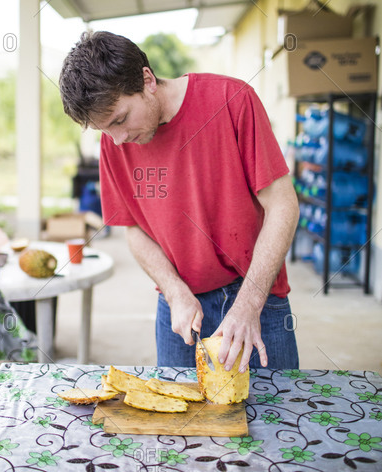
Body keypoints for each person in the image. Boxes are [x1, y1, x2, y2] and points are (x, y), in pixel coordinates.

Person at [59, 30, 300, 373]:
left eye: (121, 120)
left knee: (279, 419)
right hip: (180, 305)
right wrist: (174, 292)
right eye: (104, 130)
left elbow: (283, 205)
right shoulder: (114, 144)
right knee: (179, 422)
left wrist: (248, 304)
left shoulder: (233, 100)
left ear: (147, 80)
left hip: (257, 298)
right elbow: (132, 229)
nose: (118, 139)